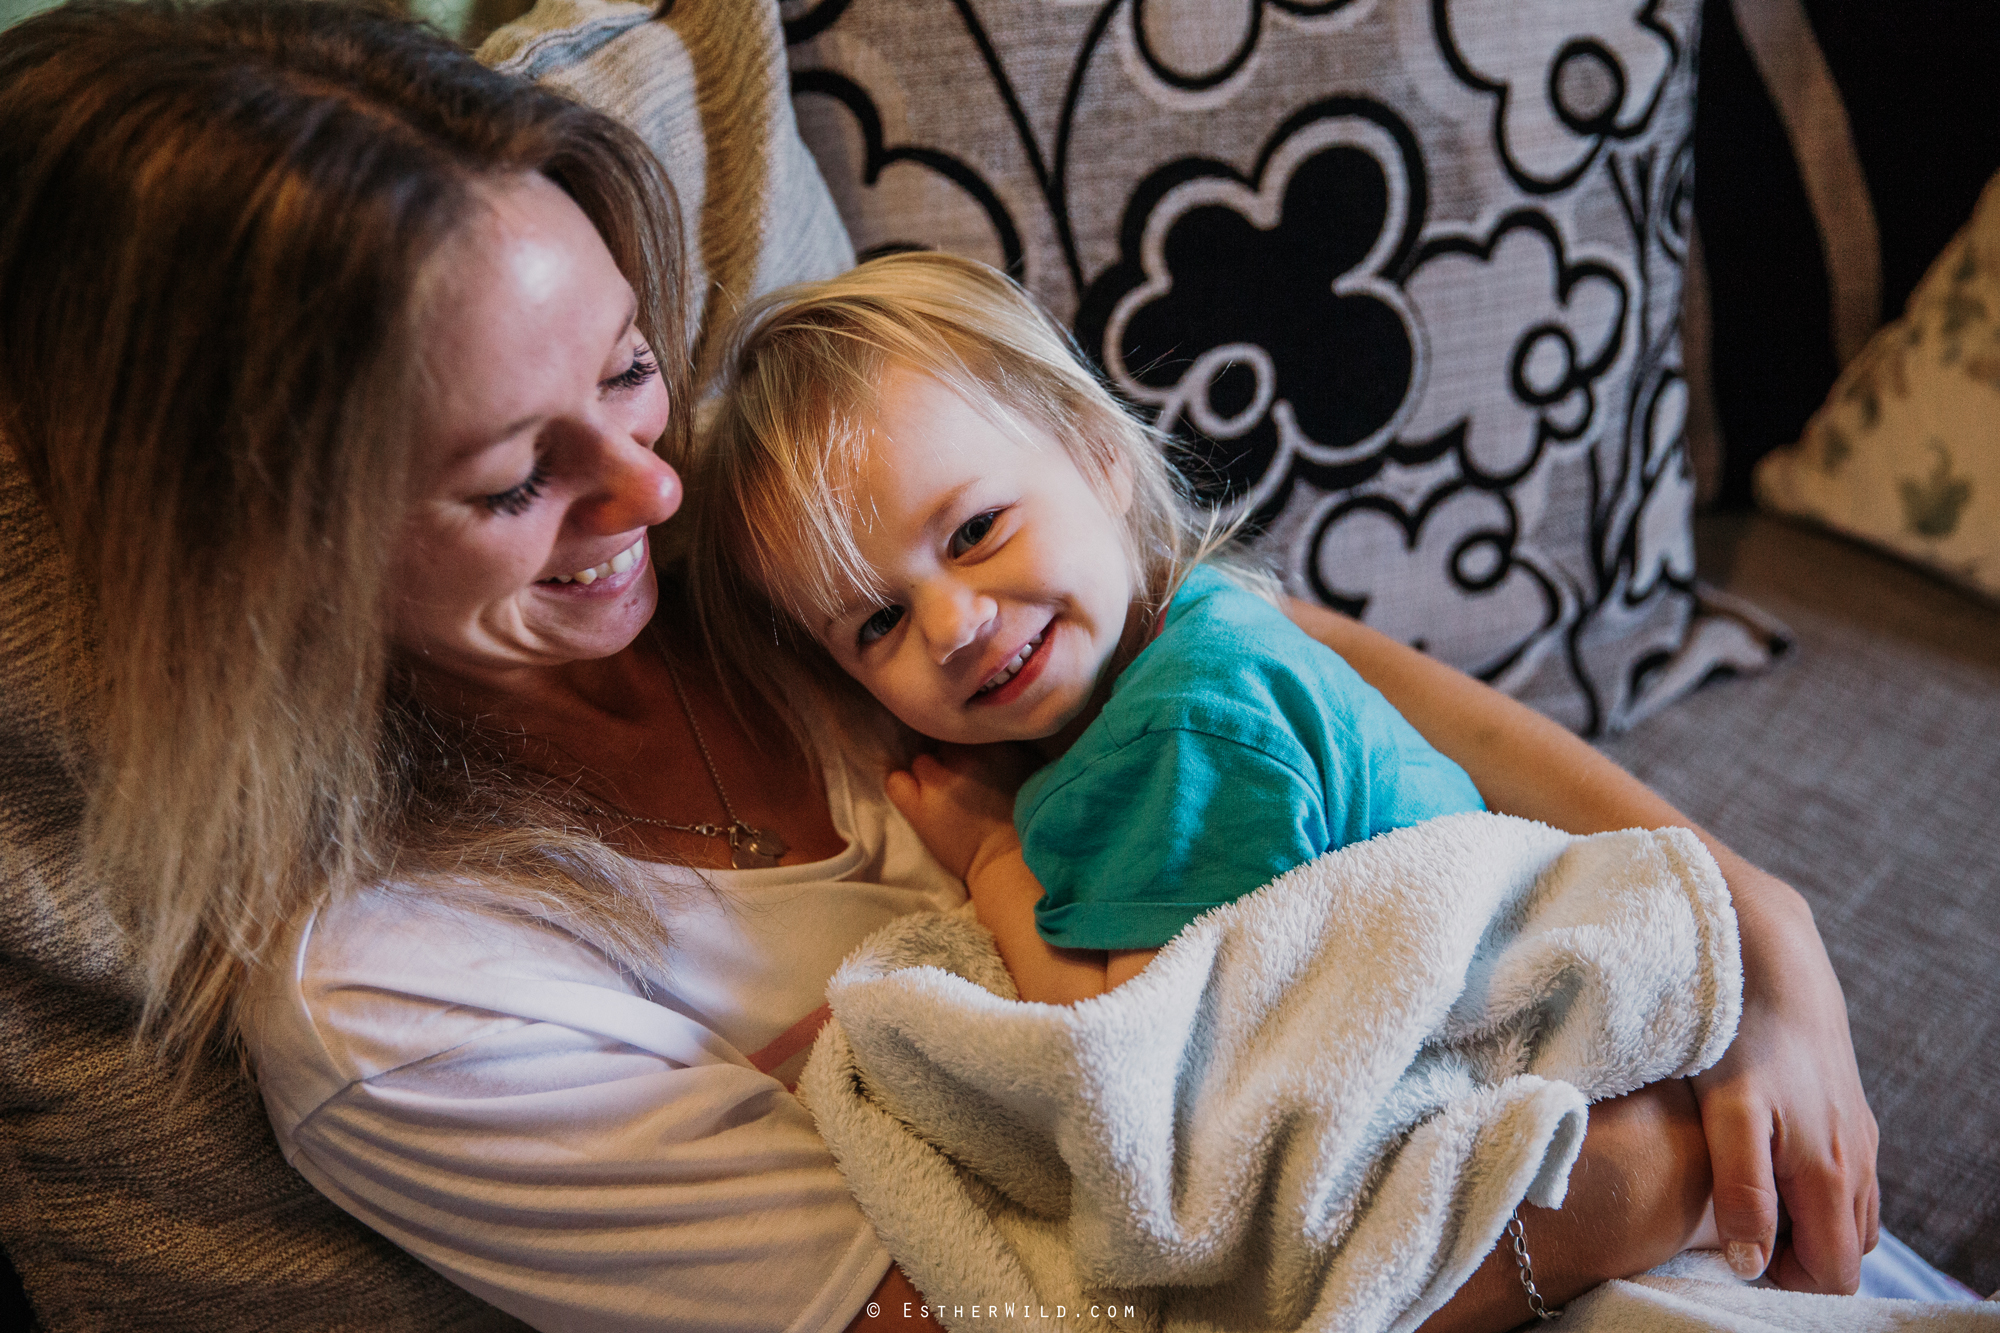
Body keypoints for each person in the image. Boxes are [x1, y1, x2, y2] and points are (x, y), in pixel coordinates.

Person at [0, 2, 1879, 1330]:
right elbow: (1031, 1311)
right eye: (514, 478)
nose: (651, 487)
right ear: (267, 564)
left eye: (632, 368)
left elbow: (1274, 652)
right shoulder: (408, 1003)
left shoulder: (779, 556)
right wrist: (1635, 1179)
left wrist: (1759, 928)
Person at [691, 250, 1497, 1004]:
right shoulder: (1172, 649)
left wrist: (991, 856)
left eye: (975, 531)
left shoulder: (1188, 726)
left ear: (1102, 454)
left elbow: (1134, 1047)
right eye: (879, 621)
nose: (952, 627)